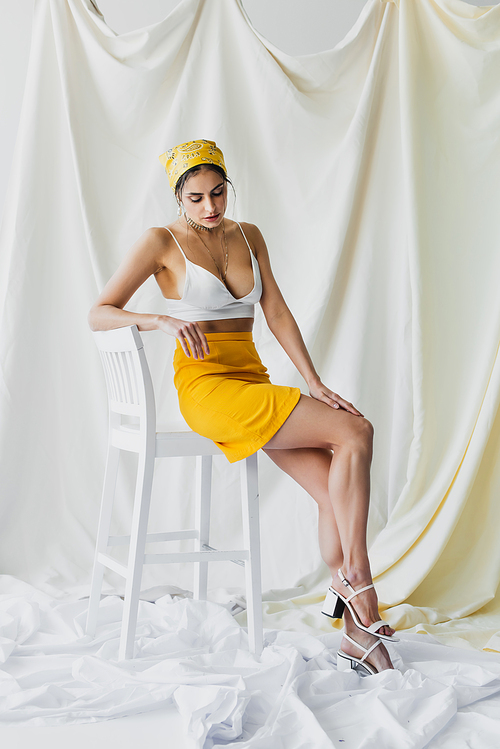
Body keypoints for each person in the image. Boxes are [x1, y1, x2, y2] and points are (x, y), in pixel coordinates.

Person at [88, 138, 397, 674]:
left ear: (228, 187)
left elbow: (274, 309)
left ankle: (354, 636)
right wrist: (159, 320)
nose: (210, 207)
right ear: (178, 198)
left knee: (334, 492)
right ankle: (361, 586)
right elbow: (99, 312)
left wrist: (312, 381)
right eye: (196, 198)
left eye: (218, 193)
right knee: (356, 433)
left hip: (252, 380)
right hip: (207, 390)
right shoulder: (160, 241)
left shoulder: (248, 235)